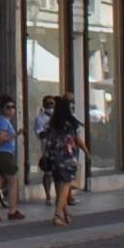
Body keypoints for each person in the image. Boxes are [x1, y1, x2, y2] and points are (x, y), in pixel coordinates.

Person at [39, 95, 86, 227]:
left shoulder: (51, 123)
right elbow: (78, 140)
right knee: (66, 185)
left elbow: (45, 137)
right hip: (67, 157)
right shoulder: (70, 122)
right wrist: (87, 152)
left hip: (53, 158)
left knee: (59, 186)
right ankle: (58, 215)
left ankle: (64, 212)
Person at [0, 97, 24, 222]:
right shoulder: (3, 122)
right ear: (2, 109)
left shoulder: (1, 121)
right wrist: (16, 134)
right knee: (12, 181)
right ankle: (12, 210)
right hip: (4, 155)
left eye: (13, 107)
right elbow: (2, 139)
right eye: (8, 107)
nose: (11, 109)